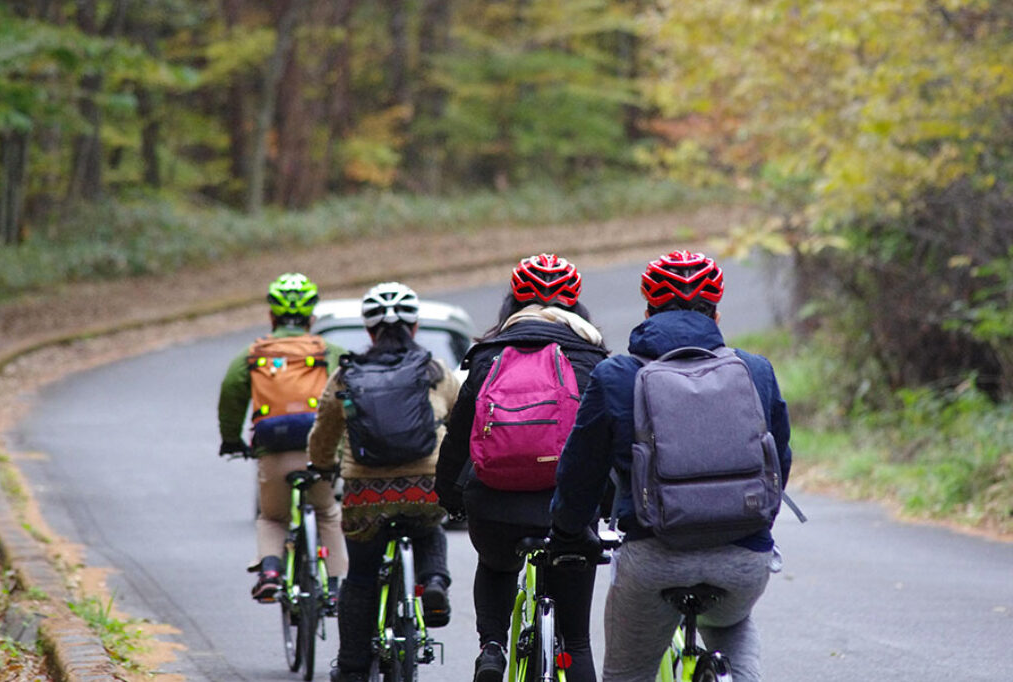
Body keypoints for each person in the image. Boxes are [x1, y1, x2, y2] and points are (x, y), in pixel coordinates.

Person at [548, 250, 792, 682]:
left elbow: (580, 471)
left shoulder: (616, 374)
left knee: (627, 673)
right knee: (732, 623)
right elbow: (779, 461)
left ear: (647, 311)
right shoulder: (756, 371)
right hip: (742, 557)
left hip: (654, 556)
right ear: (715, 314)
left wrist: (569, 531)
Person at [436, 254, 609, 682]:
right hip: (567, 510)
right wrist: (606, 502)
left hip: (496, 506)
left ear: (511, 303)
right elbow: (608, 442)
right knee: (577, 639)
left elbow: (459, 440)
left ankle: (492, 647)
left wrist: (450, 497)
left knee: (496, 565)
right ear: (577, 308)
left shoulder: (486, 356)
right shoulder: (593, 358)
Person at [307, 282, 460, 682]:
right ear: (415, 326)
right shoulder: (434, 370)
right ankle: (433, 582)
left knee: (359, 576)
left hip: (365, 491)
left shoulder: (347, 375)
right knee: (430, 526)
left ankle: (353, 668)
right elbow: (464, 418)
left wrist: (321, 466)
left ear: (368, 329)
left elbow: (324, 430)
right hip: (426, 483)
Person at [217, 273, 348, 602]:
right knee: (326, 511)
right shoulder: (329, 351)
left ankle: (271, 572)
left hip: (272, 448)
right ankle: (334, 588)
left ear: (271, 315)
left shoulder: (252, 354)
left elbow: (231, 395)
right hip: (318, 451)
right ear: (311, 316)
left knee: (273, 516)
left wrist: (231, 439)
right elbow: (350, 396)